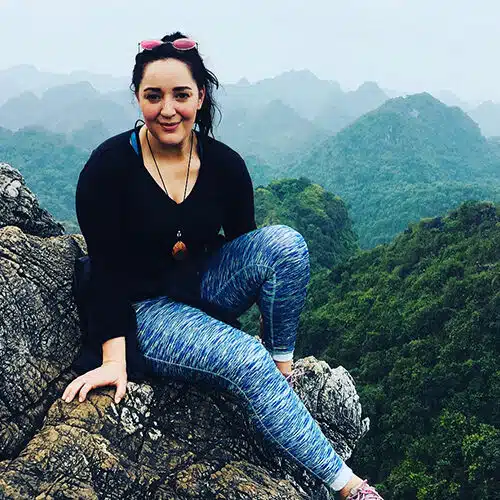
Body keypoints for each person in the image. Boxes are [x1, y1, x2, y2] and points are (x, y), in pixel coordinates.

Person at [61, 32, 383, 500]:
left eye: (180, 95)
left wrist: (240, 327)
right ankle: (349, 486)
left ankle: (281, 369)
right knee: (245, 358)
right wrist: (114, 360)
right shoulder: (108, 168)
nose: (167, 109)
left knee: (286, 245)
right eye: (153, 96)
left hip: (199, 282)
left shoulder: (225, 165)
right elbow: (106, 270)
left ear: (200, 96)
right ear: (138, 98)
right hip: (141, 307)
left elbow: (244, 247)